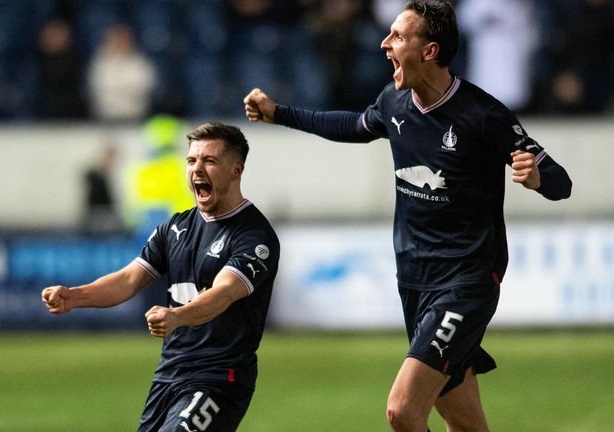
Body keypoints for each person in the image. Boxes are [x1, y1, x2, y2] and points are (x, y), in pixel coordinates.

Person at [244, 1, 572, 431]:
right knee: (464, 421)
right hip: (415, 280)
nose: (384, 43)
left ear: (430, 50)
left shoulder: (483, 115)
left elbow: (559, 181)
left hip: (465, 282)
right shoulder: (394, 101)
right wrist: (279, 114)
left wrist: (535, 178)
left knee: (402, 410)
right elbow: (352, 126)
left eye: (398, 36)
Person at [42, 122, 280, 432]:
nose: (197, 169)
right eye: (192, 160)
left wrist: (178, 316)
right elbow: (129, 279)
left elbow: (223, 293)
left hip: (219, 377)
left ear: (236, 170)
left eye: (209, 161)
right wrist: (75, 296)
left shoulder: (254, 237)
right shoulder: (175, 228)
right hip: (169, 374)